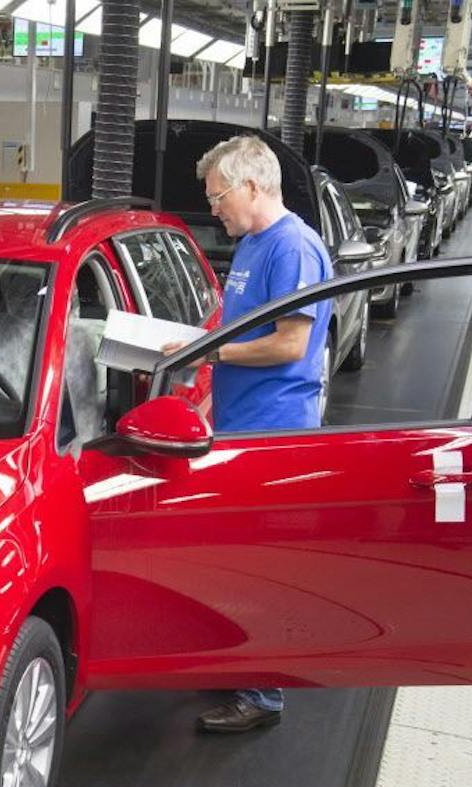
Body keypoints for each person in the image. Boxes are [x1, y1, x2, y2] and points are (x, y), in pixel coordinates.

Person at [160, 134, 334, 734]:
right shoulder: (255, 244)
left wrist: (210, 354)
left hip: (275, 426)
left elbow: (291, 343)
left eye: (218, 196)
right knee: (235, 554)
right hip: (241, 420)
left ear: (254, 186)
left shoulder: (293, 248)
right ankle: (245, 665)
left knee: (260, 561)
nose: (213, 209)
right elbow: (236, 322)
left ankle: (263, 695)